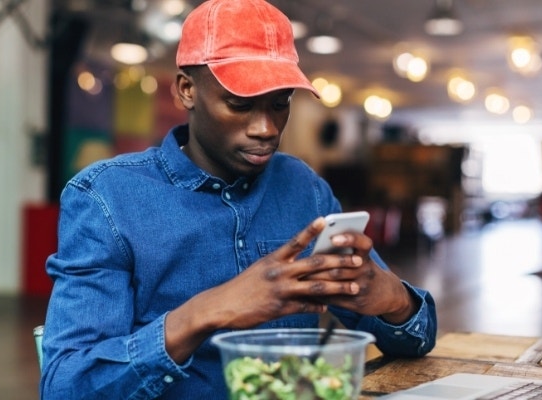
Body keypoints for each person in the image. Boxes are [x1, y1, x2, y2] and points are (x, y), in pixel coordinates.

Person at [39, 0, 437, 398]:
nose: (265, 128)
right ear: (187, 90)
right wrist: (204, 313)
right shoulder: (107, 198)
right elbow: (65, 386)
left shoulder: (305, 190)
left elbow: (419, 338)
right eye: (239, 104)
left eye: (279, 104)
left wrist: (394, 300)